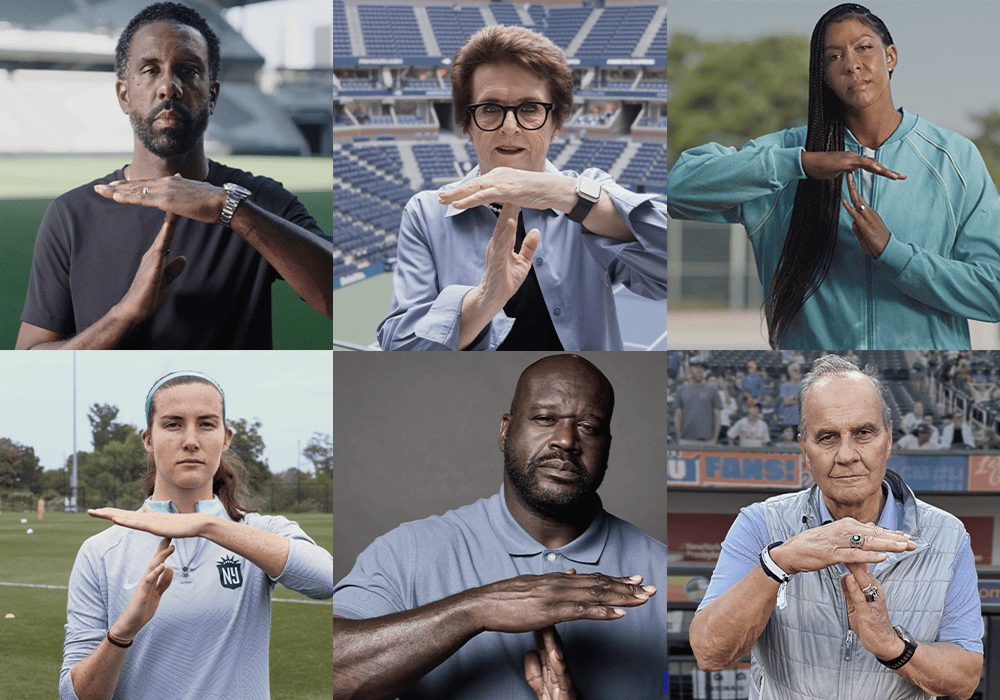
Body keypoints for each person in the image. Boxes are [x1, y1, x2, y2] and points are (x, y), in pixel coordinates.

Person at [330, 355, 666, 699]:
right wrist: (478, 608)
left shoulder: (658, 571)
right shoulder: (408, 551)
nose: (565, 440)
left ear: (606, 446)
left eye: (588, 427)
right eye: (546, 418)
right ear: (506, 431)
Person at [667, 3, 1000, 349]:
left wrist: (894, 253)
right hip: (817, 381)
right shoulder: (787, 153)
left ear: (891, 57)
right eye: (833, 57)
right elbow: (677, 190)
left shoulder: (955, 158)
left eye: (863, 47)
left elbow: (993, 292)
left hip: (918, 381)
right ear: (823, 75)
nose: (851, 64)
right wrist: (800, 164)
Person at [17, 2, 333, 350]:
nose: (169, 87)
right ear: (125, 95)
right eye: (151, 70)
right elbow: (31, 361)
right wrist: (123, 314)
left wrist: (231, 209)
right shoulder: (72, 214)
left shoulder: (259, 201)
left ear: (212, 95)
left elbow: (345, 298)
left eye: (188, 70)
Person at [689, 355, 983, 699]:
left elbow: (965, 679)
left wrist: (892, 645)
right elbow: (709, 652)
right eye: (827, 437)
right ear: (804, 448)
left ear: (887, 440)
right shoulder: (760, 523)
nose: (846, 454)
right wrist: (778, 563)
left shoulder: (948, 535)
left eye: (863, 433)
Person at [377, 25, 667, 350]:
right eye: (490, 109)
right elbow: (400, 350)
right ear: (467, 125)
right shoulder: (426, 214)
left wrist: (568, 196)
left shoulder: (590, 195)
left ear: (556, 124)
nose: (510, 127)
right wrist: (485, 299)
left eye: (530, 108)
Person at [60, 371, 334, 699]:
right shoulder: (101, 550)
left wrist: (208, 525)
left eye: (206, 424)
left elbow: (328, 581)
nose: (190, 440)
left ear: (226, 436)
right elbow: (74, 695)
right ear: (148, 439)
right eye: (173, 424)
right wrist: (123, 632)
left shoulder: (260, 531)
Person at [675, 357, 722, 445]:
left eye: (701, 367)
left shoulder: (712, 390)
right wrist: (679, 438)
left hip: (708, 440)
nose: (699, 370)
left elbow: (718, 417)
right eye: (695, 367)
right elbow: (678, 416)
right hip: (686, 440)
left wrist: (715, 439)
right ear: (690, 369)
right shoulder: (681, 390)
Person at [779, 363, 802, 433]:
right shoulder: (784, 386)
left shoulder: (805, 385)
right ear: (790, 372)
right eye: (795, 370)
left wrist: (793, 398)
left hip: (802, 422)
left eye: (799, 370)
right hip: (789, 421)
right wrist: (799, 399)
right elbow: (786, 402)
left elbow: (807, 402)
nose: (798, 372)